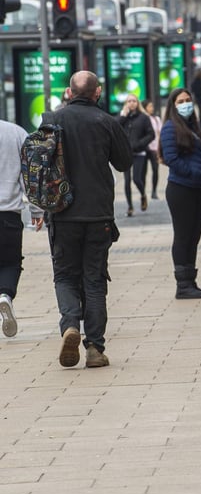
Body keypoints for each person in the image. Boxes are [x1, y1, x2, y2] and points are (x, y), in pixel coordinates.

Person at [48, 70, 132, 368]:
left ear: (69, 92)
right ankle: (95, 348)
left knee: (65, 275)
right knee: (94, 280)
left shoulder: (52, 120)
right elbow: (124, 162)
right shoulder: (106, 121)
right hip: (99, 215)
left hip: (62, 213)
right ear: (96, 93)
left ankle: (70, 324)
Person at [159, 88, 201, 300]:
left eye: (188, 100)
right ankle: (182, 284)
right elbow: (171, 158)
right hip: (182, 189)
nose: (186, 104)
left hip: (198, 190)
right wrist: (195, 173)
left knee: (194, 237)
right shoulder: (170, 128)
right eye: (181, 101)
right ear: (173, 106)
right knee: (183, 236)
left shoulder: (193, 126)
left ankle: (190, 281)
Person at [0, 120, 44, 338]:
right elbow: (29, 175)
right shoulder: (16, 133)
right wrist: (36, 210)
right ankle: (5, 295)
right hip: (8, 213)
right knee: (10, 262)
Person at [117, 94, 155, 217]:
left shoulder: (144, 118)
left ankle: (143, 195)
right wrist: (123, 115)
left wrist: (140, 144)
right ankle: (130, 207)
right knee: (127, 181)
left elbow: (151, 134)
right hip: (126, 153)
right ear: (126, 104)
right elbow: (114, 127)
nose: (131, 103)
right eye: (129, 101)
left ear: (137, 103)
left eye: (134, 101)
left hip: (139, 152)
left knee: (137, 179)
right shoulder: (123, 117)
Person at [141, 99, 162, 200]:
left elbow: (160, 134)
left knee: (155, 170)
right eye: (150, 106)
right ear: (145, 108)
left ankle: (154, 191)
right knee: (143, 171)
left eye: (152, 106)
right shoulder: (143, 119)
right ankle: (143, 191)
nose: (152, 108)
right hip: (145, 148)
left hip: (154, 149)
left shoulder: (157, 119)